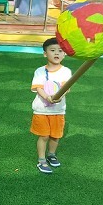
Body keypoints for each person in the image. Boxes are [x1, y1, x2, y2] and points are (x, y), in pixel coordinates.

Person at [30, 38, 72, 174]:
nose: (57, 53)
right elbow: (39, 88)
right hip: (41, 110)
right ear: (45, 53)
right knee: (44, 136)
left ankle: (51, 155)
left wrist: (58, 96)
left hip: (58, 111)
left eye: (60, 50)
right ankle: (41, 160)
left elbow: (66, 88)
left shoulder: (66, 71)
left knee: (55, 136)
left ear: (64, 54)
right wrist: (47, 97)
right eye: (52, 50)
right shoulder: (40, 71)